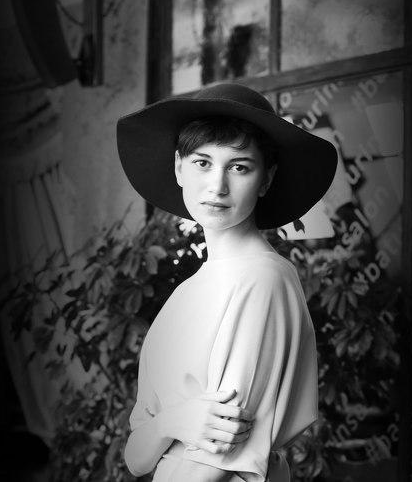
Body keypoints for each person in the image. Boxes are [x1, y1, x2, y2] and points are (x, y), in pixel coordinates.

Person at [117, 83, 337, 481]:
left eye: (239, 167)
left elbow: (218, 458)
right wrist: (173, 422)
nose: (217, 186)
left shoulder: (262, 279)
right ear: (179, 168)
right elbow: (136, 456)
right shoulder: (185, 292)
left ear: (266, 179)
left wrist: (165, 429)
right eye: (203, 162)